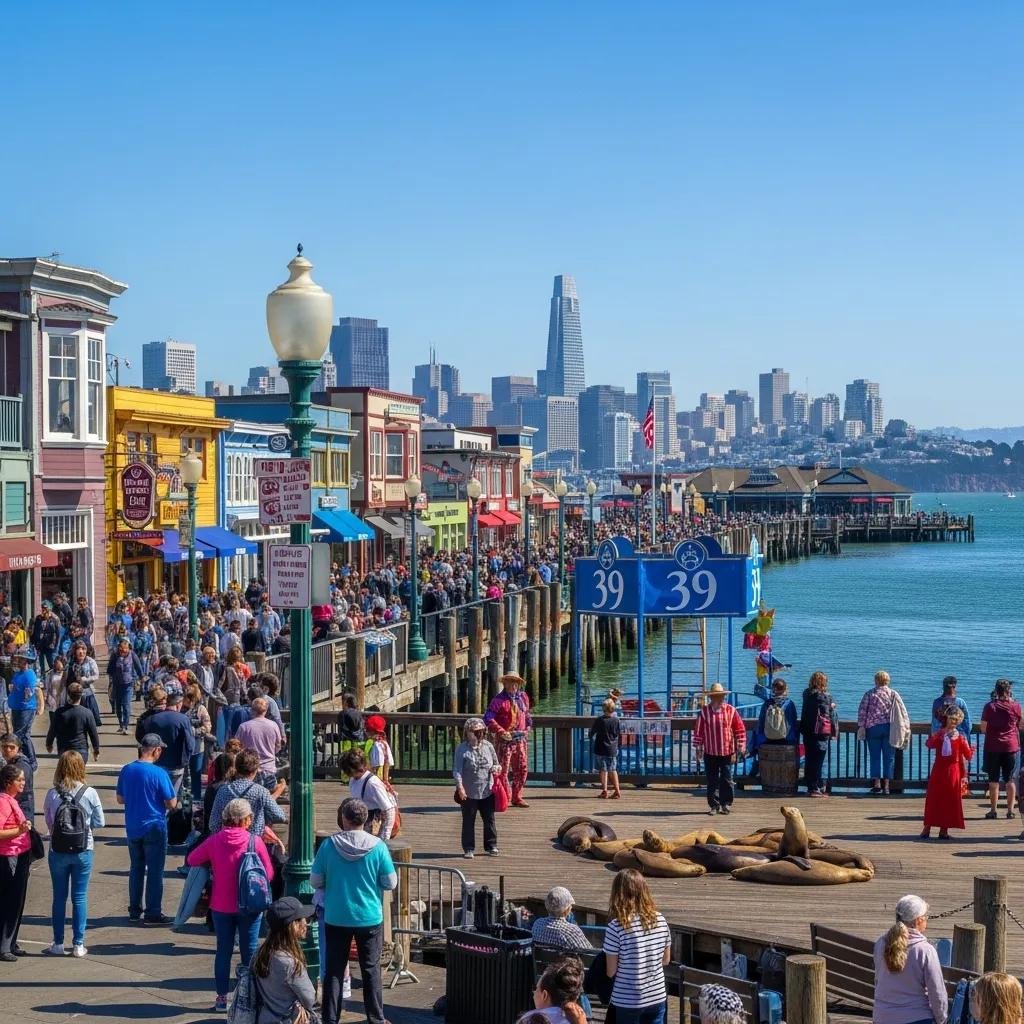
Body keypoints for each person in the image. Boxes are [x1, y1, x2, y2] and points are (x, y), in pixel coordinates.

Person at [312, 796, 398, 1024]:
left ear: (344, 818)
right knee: (371, 970)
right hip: (369, 917)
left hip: (337, 915)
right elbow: (390, 882)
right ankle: (376, 1019)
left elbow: (315, 881)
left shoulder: (329, 845)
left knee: (333, 971)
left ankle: (330, 1019)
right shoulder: (378, 847)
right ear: (366, 819)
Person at [187, 797, 275, 1012]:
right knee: (250, 952)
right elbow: (269, 874)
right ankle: (249, 997)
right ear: (246, 819)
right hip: (250, 904)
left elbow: (192, 859)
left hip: (221, 905)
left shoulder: (214, 840)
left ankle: (220, 999)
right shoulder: (255, 842)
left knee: (223, 951)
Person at [42, 750, 105, 957]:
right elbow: (100, 821)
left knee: (58, 897)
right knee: (79, 897)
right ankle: (78, 944)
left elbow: (50, 822)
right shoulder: (90, 792)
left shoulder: (52, 793)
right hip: (83, 849)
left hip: (58, 850)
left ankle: (57, 943)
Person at [116, 733, 178, 925]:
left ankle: (134, 910)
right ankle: (153, 912)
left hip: (133, 826)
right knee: (155, 871)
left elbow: (120, 799)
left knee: (136, 868)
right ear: (156, 750)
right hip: (154, 826)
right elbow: (171, 803)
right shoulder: (160, 774)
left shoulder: (127, 770)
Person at [603, 868, 672, 1024]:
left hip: (628, 999)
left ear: (617, 894)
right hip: (657, 995)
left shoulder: (616, 927)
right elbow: (666, 960)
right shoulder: (660, 919)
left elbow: (610, 972)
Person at [872, 894, 947, 1024]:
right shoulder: (925, 950)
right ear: (918, 920)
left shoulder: (881, 943)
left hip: (882, 1016)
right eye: (926, 917)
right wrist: (942, 1019)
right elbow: (937, 993)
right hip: (917, 1017)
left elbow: (878, 980)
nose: (927, 920)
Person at [252, 897, 318, 1024]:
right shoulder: (290, 963)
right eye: (303, 919)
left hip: (264, 1016)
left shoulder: (260, 952)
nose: (306, 923)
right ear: (293, 925)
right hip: (288, 1019)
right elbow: (309, 998)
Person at [693, 683, 747, 816]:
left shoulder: (731, 710)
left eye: (720, 696)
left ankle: (726, 804)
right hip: (710, 751)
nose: (719, 699)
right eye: (716, 696)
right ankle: (714, 805)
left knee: (727, 779)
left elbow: (739, 729)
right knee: (712, 780)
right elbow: (698, 732)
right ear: (711, 697)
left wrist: (740, 745)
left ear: (723, 696)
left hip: (727, 751)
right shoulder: (704, 712)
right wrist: (698, 748)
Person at [921, 708, 974, 840]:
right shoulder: (942, 735)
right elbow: (929, 744)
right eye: (952, 719)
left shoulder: (960, 738)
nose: (954, 722)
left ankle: (943, 830)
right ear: (947, 718)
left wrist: (971, 748)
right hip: (939, 770)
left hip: (953, 771)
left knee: (948, 800)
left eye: (957, 720)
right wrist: (938, 736)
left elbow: (968, 755)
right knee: (934, 798)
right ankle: (927, 828)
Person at [452, 717, 501, 859]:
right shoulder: (462, 749)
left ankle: (491, 845)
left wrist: (496, 768)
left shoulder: (488, 746)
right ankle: (468, 848)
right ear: (467, 732)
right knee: (468, 820)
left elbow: (497, 764)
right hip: (469, 791)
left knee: (489, 819)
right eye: (475, 732)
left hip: (487, 789)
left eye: (481, 731)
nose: (479, 734)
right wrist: (460, 787)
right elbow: (457, 770)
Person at [209, 749, 286, 838]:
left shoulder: (223, 790)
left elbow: (213, 825)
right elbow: (280, 816)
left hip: (227, 843)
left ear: (236, 768)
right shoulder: (261, 791)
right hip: (252, 844)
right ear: (256, 770)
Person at [484, 673, 533, 808]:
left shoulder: (523, 697)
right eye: (510, 682)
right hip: (505, 740)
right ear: (504, 684)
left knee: (522, 769)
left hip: (521, 739)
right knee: (503, 770)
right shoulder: (498, 700)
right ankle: (505, 797)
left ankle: (517, 797)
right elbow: (487, 718)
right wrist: (501, 731)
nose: (513, 685)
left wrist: (529, 725)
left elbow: (527, 713)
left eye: (515, 682)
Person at [0, 763, 33, 960]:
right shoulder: (3, 801)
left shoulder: (11, 800)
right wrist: (20, 830)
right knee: (10, 901)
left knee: (16, 901)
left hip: (19, 855)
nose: (23, 782)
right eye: (19, 779)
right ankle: (4, 946)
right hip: (8, 857)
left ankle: (10, 942)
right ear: (8, 782)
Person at [857, 670, 908, 795]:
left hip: (872, 728)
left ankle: (876, 784)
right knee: (889, 757)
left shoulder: (869, 694)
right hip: (888, 728)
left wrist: (861, 726)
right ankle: (886, 784)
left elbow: (862, 711)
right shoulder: (893, 694)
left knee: (874, 757)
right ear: (887, 680)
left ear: (876, 680)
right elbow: (902, 711)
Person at [979, 679, 1021, 822]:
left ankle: (993, 810)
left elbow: (983, 728)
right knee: (1010, 781)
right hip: (1011, 747)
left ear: (996, 691)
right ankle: (1010, 811)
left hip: (993, 747)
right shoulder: (1016, 706)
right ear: (1009, 691)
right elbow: (1021, 725)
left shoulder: (989, 707)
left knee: (993, 781)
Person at [341, 748, 397, 841]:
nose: (348, 774)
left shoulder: (372, 783)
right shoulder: (353, 779)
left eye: (349, 771)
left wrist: (383, 838)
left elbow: (389, 811)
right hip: (362, 820)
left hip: (375, 820)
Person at [800, 671, 838, 798]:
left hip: (807, 731)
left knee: (809, 759)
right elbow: (827, 711)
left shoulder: (806, 694)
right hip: (820, 732)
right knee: (818, 761)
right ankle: (815, 787)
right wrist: (832, 706)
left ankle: (811, 786)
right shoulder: (824, 697)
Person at [235, 698, 282, 792]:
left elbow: (236, 747)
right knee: (268, 800)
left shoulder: (244, 727)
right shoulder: (274, 726)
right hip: (269, 769)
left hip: (250, 770)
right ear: (266, 710)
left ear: (252, 710)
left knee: (250, 799)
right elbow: (278, 747)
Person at [45, 683, 101, 762]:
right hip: (81, 751)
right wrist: (96, 750)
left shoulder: (59, 712)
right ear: (81, 695)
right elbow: (93, 734)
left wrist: (49, 744)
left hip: (64, 751)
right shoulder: (87, 713)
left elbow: (52, 730)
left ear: (68, 695)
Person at [7, 648, 43, 771]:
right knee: (21, 735)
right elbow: (12, 688)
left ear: (26, 661)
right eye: (19, 659)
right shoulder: (17, 674)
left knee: (21, 735)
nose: (19, 661)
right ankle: (24, 759)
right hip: (16, 707)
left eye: (21, 659)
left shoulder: (30, 674)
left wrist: (39, 705)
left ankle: (31, 762)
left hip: (26, 709)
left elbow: (30, 693)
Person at [524, 956, 587, 1024]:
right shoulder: (578, 1019)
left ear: (544, 995)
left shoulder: (529, 1019)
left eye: (535, 988)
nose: (533, 992)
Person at [107, 638, 146, 734]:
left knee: (126, 705)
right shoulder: (115, 655)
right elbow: (109, 670)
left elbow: (138, 667)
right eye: (121, 650)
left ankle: (125, 726)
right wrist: (114, 673)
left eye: (125, 650)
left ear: (128, 649)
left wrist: (141, 678)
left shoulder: (132, 655)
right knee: (118, 705)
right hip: (117, 684)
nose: (123, 653)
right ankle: (121, 724)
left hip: (128, 684)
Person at [182, 684, 212, 805]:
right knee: (183, 776)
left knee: (196, 774)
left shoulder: (201, 709)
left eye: (190, 697)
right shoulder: (179, 708)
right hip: (182, 748)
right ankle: (184, 802)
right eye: (186, 697)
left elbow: (208, 727)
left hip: (197, 747)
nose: (187, 700)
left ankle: (196, 800)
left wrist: (194, 731)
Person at [63, 643, 102, 728]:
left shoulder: (90, 661)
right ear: (74, 652)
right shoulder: (70, 663)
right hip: (73, 695)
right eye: (79, 650)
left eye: (83, 650)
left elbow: (96, 676)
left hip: (87, 693)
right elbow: (65, 678)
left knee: (88, 720)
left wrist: (85, 679)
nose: (82, 653)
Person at [589, 698, 622, 800]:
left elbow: (592, 733)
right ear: (613, 708)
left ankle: (605, 791)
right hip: (612, 749)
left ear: (603, 708)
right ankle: (617, 791)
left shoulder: (600, 720)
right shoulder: (616, 720)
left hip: (600, 748)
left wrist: (591, 735)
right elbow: (618, 733)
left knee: (603, 770)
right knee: (613, 770)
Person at [0, 733, 35, 823]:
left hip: (21, 809)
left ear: (18, 748)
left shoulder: (20, 767)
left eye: (12, 747)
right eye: (4, 747)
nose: (7, 750)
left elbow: (15, 791)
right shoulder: (12, 762)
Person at [365, 714, 394, 784]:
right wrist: (386, 779)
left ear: (372, 731)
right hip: (383, 777)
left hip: (377, 777)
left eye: (367, 729)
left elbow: (376, 765)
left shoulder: (376, 745)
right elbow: (387, 762)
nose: (365, 732)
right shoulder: (384, 743)